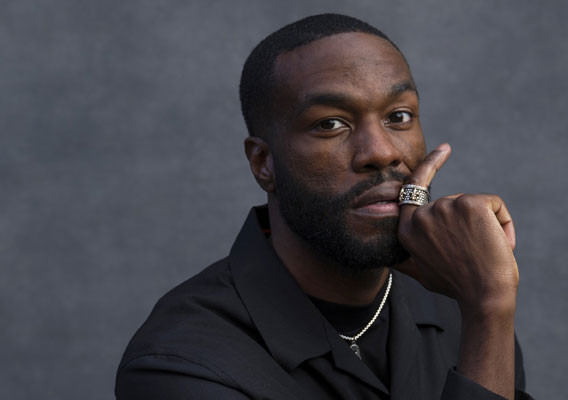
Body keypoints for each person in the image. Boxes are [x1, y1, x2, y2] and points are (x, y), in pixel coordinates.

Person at [116, 13, 534, 400]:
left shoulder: (458, 306)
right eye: (330, 124)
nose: (382, 152)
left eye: (399, 117)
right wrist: (490, 306)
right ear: (263, 163)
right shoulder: (180, 362)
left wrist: (483, 311)